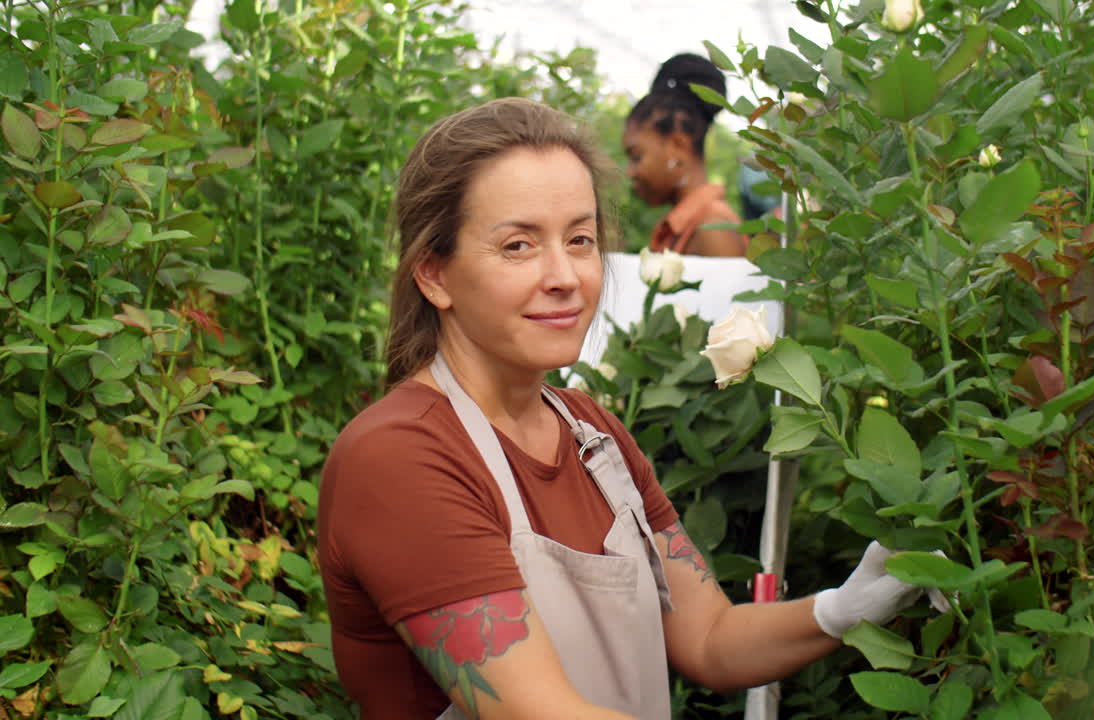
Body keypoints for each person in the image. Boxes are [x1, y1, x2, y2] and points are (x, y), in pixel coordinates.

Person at [318, 97, 942, 720]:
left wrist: (842, 609)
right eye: (518, 245)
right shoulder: (400, 457)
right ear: (435, 276)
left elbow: (709, 639)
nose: (564, 275)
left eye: (580, 239)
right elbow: (538, 713)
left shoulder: (592, 436)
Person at [624, 53, 747, 257]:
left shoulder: (713, 227)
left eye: (636, 157)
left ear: (677, 145)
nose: (630, 172)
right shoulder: (688, 226)